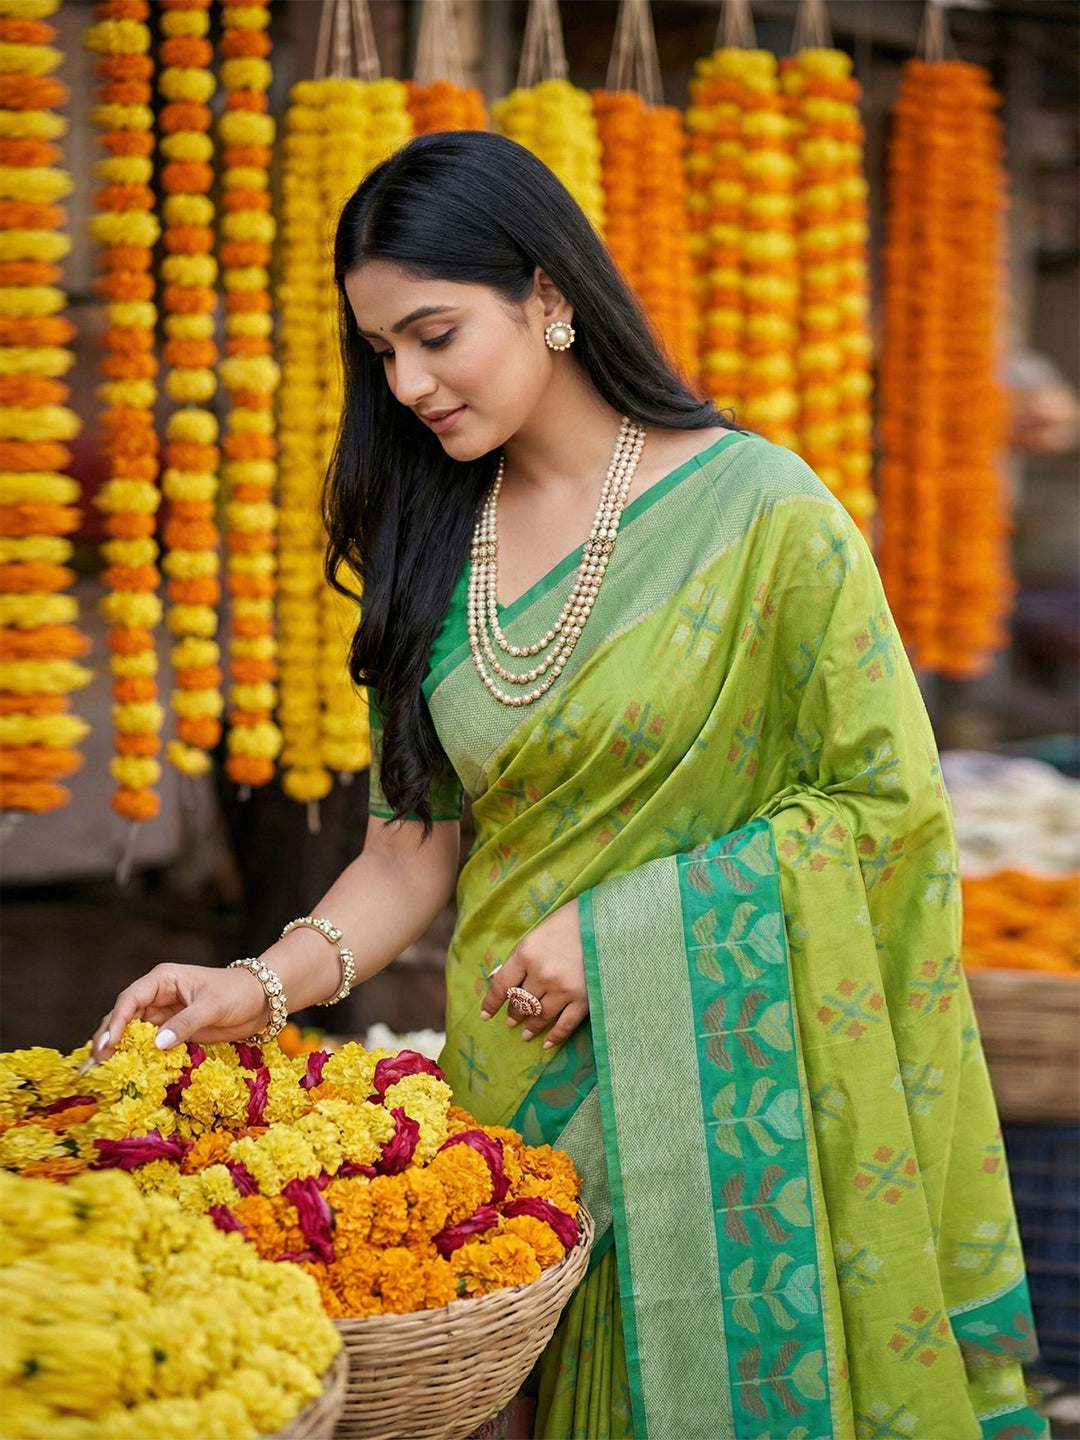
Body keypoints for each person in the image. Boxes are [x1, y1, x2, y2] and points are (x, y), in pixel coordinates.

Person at [88, 132, 1047, 1440]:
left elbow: (886, 811)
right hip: (520, 1113)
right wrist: (253, 987)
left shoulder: (765, 517)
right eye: (381, 352)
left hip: (736, 1094)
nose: (409, 382)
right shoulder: (427, 534)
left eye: (436, 333)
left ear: (548, 297)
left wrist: (630, 929)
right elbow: (411, 856)